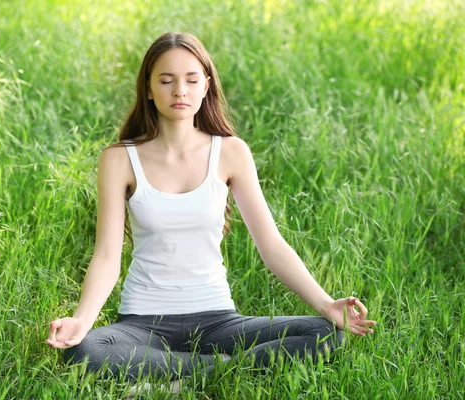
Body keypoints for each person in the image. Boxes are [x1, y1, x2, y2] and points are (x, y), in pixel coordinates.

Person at [46, 32, 376, 383]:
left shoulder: (231, 152)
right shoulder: (118, 159)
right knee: (84, 350)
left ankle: (178, 374)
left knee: (325, 334)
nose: (180, 91)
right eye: (166, 80)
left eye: (191, 80)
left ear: (206, 86)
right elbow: (107, 257)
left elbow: (272, 247)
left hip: (220, 322)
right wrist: (82, 320)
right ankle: (221, 369)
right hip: (142, 325)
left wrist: (326, 305)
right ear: (147, 87)